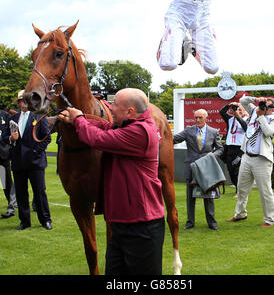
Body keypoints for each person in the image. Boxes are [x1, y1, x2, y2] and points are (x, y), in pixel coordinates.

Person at [58, 88, 165, 275]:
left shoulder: (141, 131)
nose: (111, 108)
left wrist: (79, 120)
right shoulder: (129, 125)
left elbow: (97, 137)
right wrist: (80, 119)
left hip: (142, 228)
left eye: (115, 104)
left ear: (130, 111)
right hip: (121, 224)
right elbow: (104, 127)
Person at [227, 95, 274, 227]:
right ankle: (240, 214)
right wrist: (256, 100)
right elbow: (242, 101)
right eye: (263, 105)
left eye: (266, 106)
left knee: (265, 191)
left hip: (262, 159)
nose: (262, 107)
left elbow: (268, 132)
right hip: (247, 155)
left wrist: (261, 116)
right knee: (241, 188)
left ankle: (269, 219)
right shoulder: (254, 111)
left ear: (272, 108)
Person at [2, 90, 52, 230]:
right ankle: (24, 221)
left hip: (35, 162)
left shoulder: (39, 116)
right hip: (18, 161)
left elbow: (46, 138)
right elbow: (4, 137)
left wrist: (36, 152)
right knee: (21, 193)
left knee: (40, 192)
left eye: (24, 100)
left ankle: (45, 220)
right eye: (20, 100)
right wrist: (11, 138)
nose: (22, 102)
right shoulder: (13, 118)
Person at [173, 108, 223, 230]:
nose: (198, 120)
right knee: (190, 197)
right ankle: (190, 222)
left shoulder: (213, 131)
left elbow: (220, 149)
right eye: (196, 117)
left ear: (206, 118)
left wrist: (212, 155)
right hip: (191, 168)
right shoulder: (188, 130)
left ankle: (212, 223)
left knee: (209, 197)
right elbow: (174, 139)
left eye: (200, 117)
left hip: (207, 169)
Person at [219, 102, 249, 196]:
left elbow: (245, 127)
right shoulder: (230, 119)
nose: (237, 111)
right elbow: (222, 112)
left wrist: (238, 116)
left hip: (240, 148)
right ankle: (237, 186)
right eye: (236, 109)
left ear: (244, 111)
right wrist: (229, 105)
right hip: (229, 147)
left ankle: (239, 190)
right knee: (230, 169)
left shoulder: (247, 119)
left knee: (237, 168)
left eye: (240, 109)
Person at [0, 108, 17, 218]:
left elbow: (9, 134)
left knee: (6, 182)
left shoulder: (4, 115)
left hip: (2, 155)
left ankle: (12, 205)